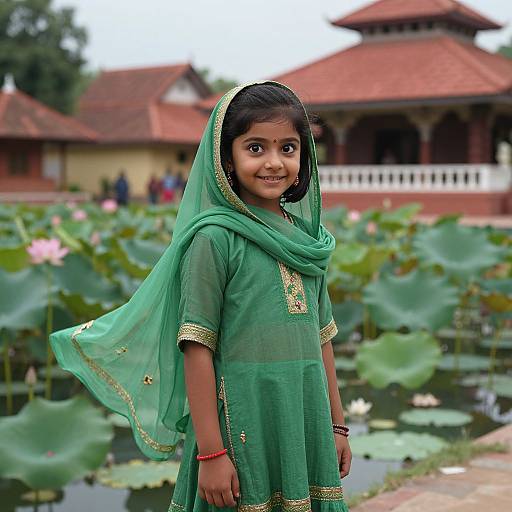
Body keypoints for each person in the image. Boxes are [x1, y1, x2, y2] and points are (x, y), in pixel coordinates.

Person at [49, 82, 351, 511]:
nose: (273, 162)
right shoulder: (214, 239)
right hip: (239, 428)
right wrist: (211, 453)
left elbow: (323, 339)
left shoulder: (308, 240)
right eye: (255, 148)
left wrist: (337, 427)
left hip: (305, 422)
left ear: (304, 158)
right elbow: (196, 346)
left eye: (288, 148)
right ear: (226, 158)